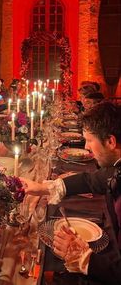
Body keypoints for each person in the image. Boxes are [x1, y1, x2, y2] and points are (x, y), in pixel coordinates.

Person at [21, 102, 121, 284]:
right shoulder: (116, 168)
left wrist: (84, 258)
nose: (87, 147)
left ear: (111, 142)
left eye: (90, 140)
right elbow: (92, 180)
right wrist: (43, 188)